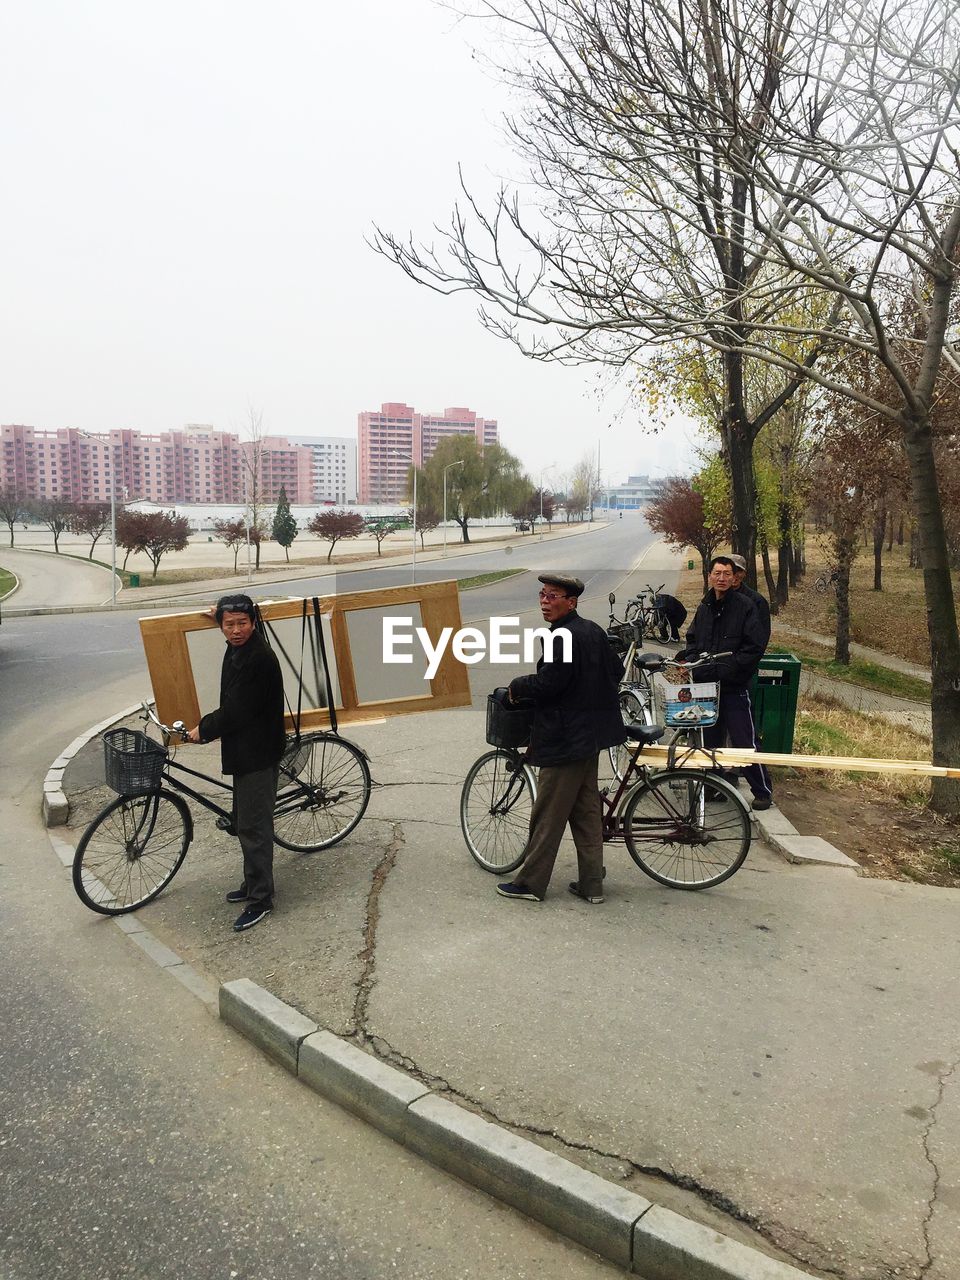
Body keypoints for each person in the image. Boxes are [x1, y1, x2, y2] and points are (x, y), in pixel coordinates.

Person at [496, 573, 627, 904]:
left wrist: (518, 687)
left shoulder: (562, 638)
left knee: (548, 814)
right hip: (590, 738)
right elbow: (617, 671)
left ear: (572, 601)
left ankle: (530, 884)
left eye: (553, 596)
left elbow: (549, 685)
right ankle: (592, 884)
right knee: (585, 814)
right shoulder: (592, 630)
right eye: (542, 595)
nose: (544, 601)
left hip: (566, 740)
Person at [187, 594, 287, 931]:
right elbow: (225, 617)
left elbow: (237, 710)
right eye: (228, 624)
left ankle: (261, 899)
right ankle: (251, 883)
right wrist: (217, 614)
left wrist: (204, 729)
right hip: (246, 751)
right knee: (243, 820)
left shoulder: (258, 658)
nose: (235, 630)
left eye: (242, 623)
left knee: (254, 828)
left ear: (254, 623)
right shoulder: (239, 646)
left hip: (258, 752)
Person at [683, 556, 773, 810]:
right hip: (706, 687)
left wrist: (731, 669)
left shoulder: (746, 606)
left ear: (734, 578)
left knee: (745, 740)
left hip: (734, 687)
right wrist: (691, 660)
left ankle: (762, 791)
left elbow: (754, 646)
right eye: (717, 573)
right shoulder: (705, 606)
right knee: (710, 740)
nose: (721, 578)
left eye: (727, 574)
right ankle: (714, 787)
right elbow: (692, 638)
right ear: (710, 576)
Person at [729, 554, 771, 651]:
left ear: (744, 573)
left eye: (738, 571)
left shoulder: (757, 601)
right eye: (731, 571)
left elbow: (761, 636)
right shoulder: (713, 599)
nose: (735, 574)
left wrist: (741, 660)